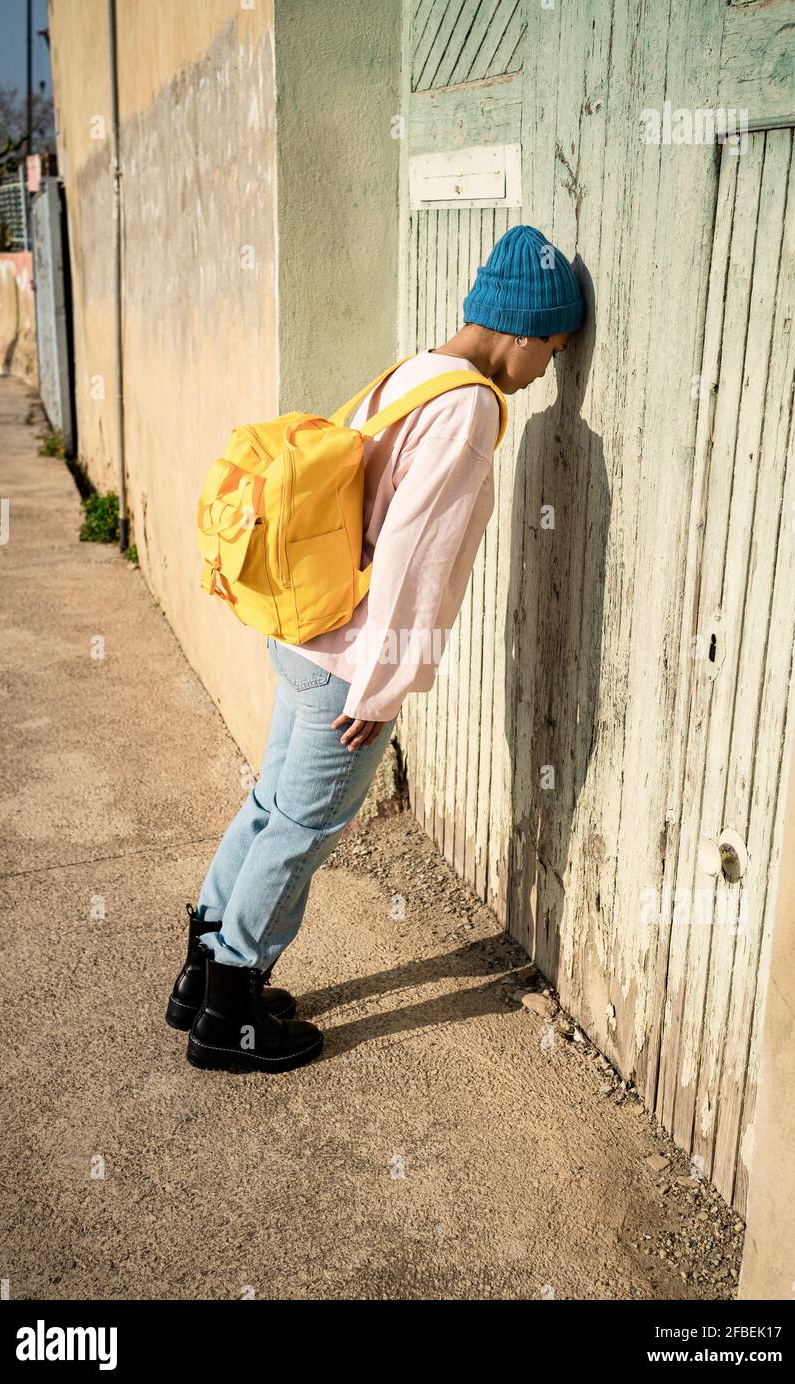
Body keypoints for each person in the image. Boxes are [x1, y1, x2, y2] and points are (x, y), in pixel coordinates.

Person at [166, 223, 586, 1073]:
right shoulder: (469, 405)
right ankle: (231, 1015)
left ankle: (202, 973)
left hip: (306, 631)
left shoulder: (414, 372)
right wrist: (381, 685)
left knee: (272, 807)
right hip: (348, 664)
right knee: (304, 830)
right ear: (522, 333)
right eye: (553, 349)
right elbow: (413, 553)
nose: (548, 371)